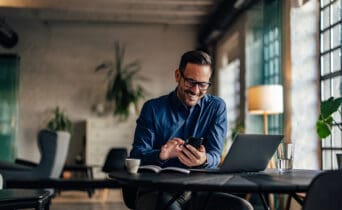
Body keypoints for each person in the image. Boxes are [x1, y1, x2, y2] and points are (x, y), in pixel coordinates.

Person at [128, 50, 245, 210]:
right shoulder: (153, 108)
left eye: (203, 84)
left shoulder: (216, 107)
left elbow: (215, 155)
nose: (196, 91)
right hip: (156, 190)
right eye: (190, 81)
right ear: (178, 76)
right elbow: (136, 155)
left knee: (241, 207)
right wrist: (162, 155)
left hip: (198, 191)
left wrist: (203, 160)